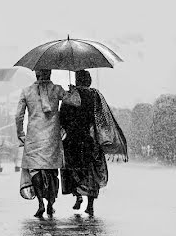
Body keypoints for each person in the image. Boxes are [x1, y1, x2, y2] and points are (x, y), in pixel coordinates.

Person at [60, 70, 123, 215]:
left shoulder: (70, 97)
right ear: (89, 81)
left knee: (73, 168)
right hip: (90, 139)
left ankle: (77, 196)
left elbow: (62, 117)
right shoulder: (95, 96)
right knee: (91, 171)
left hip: (72, 140)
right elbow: (101, 118)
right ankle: (90, 205)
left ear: (77, 80)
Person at [15, 69, 75, 217]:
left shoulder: (26, 91)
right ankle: (50, 204)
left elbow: (18, 116)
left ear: (36, 74)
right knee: (52, 171)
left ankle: (41, 202)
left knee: (35, 170)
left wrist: (20, 134)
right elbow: (76, 102)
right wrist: (72, 91)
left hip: (34, 137)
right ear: (50, 74)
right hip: (52, 138)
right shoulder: (57, 90)